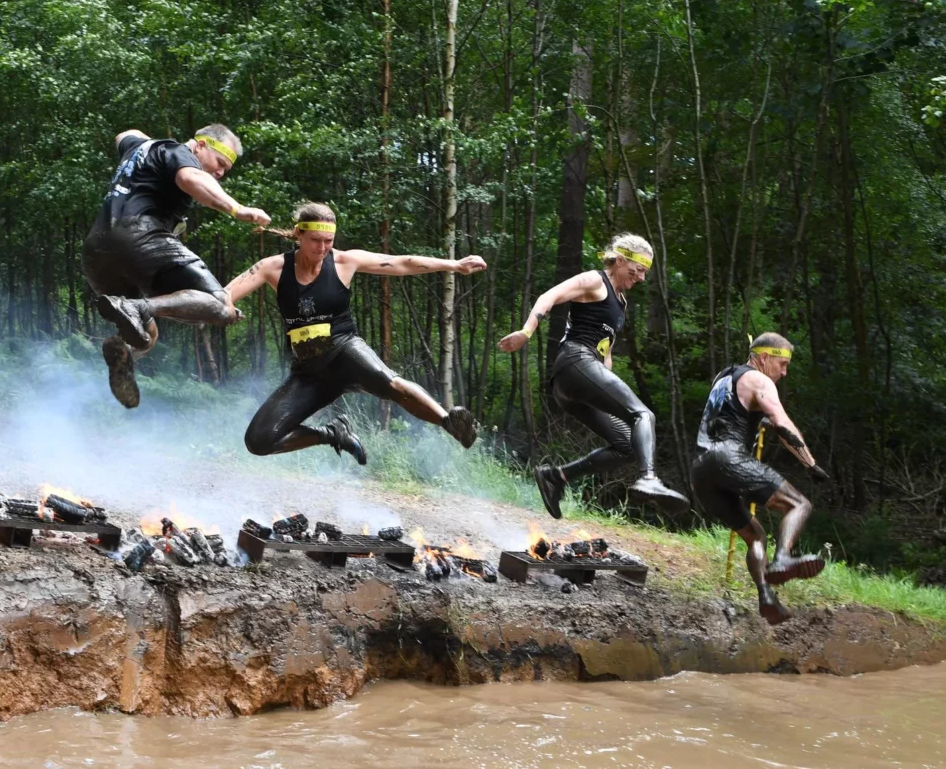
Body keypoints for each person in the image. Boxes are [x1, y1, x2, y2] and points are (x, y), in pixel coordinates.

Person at [225, 202, 485, 463]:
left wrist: (454, 265)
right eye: (315, 240)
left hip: (345, 351)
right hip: (310, 372)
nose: (322, 248)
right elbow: (225, 295)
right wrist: (225, 310)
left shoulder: (344, 261)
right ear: (298, 234)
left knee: (390, 382)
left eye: (329, 240)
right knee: (258, 441)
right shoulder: (273, 267)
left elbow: (402, 263)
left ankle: (449, 422)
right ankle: (332, 434)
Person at [498, 233, 688, 519]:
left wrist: (606, 386)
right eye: (637, 271)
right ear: (620, 261)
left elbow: (606, 352)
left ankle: (556, 476)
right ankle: (649, 479)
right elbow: (549, 296)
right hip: (575, 362)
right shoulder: (594, 281)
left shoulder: (620, 304)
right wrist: (526, 332)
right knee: (643, 415)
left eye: (645, 274)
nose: (641, 279)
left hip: (580, 379)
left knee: (628, 446)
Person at [82, 124, 271, 408]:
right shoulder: (179, 152)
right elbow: (191, 178)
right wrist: (237, 208)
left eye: (225, 171)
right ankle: (136, 307)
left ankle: (123, 356)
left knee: (148, 336)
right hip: (139, 237)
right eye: (220, 164)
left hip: (96, 251)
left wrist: (145, 142)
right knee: (221, 304)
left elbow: (123, 134)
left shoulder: (142, 148)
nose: (220, 173)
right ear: (201, 145)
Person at [691, 332, 829, 625]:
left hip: (700, 470)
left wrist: (758, 420)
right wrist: (810, 462)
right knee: (799, 505)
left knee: (755, 535)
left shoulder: (724, 377)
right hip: (729, 457)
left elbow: (733, 412)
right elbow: (781, 422)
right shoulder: (760, 379)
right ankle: (783, 559)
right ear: (764, 358)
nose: (784, 372)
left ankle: (766, 596)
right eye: (781, 364)